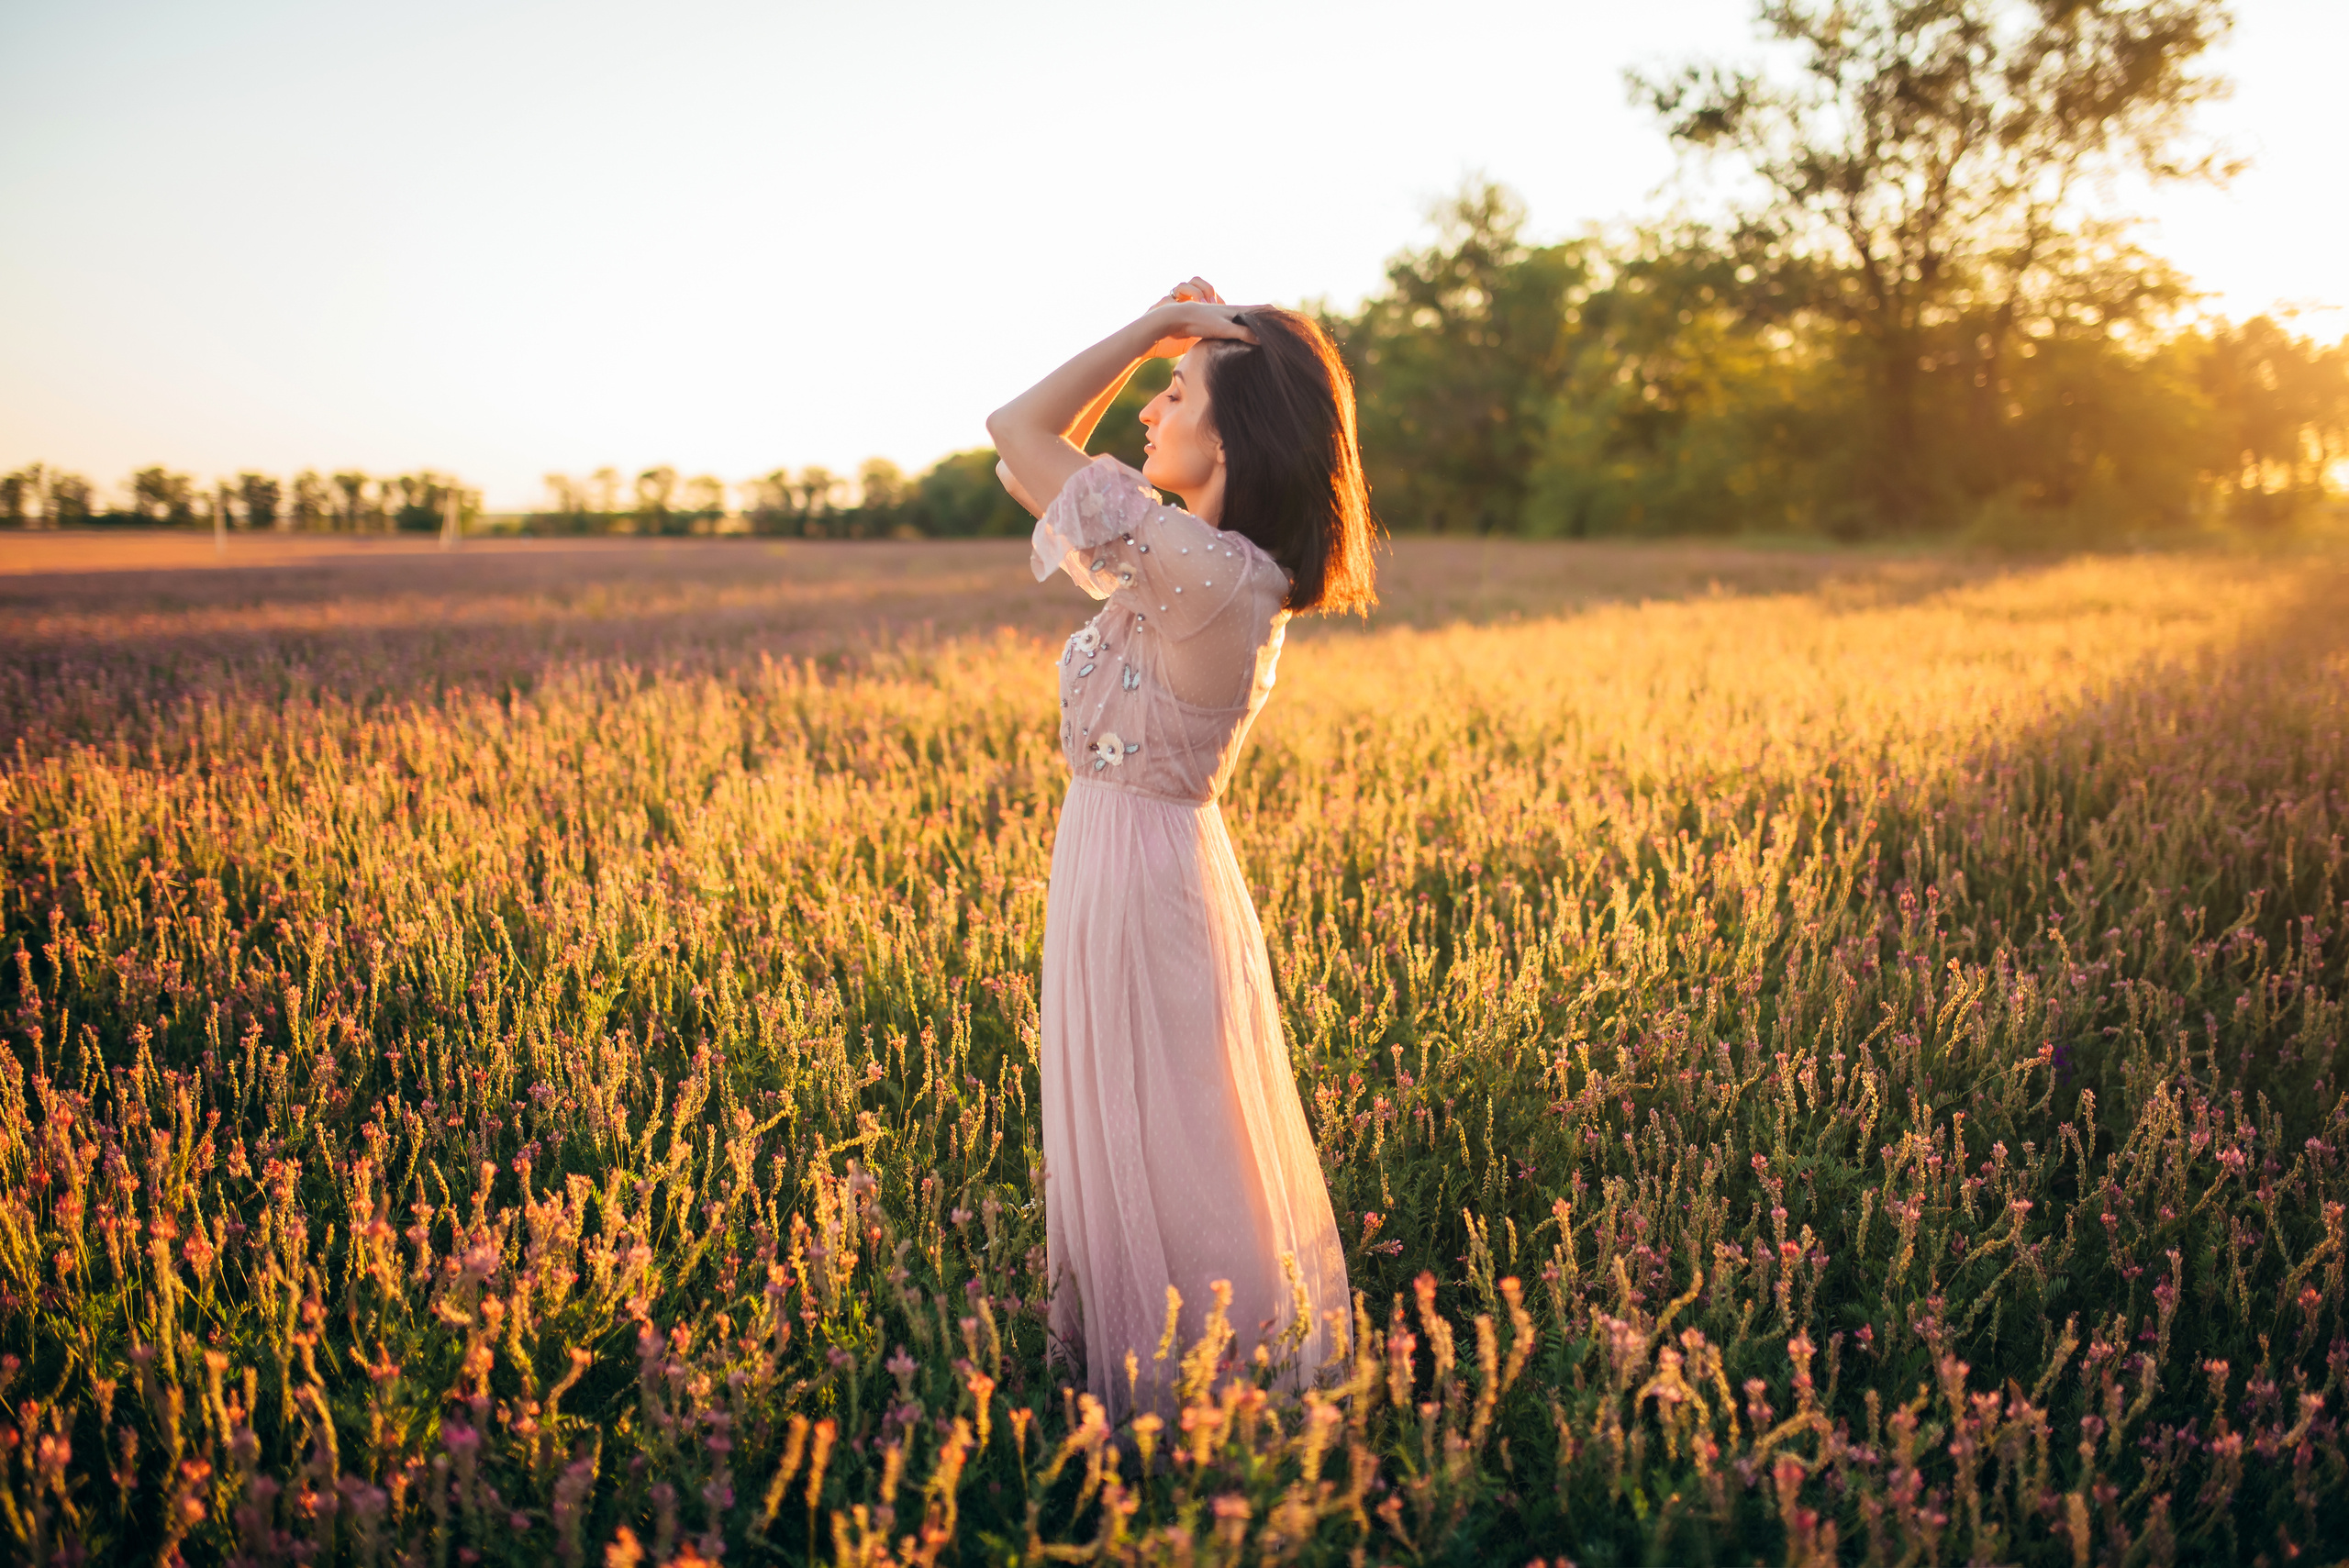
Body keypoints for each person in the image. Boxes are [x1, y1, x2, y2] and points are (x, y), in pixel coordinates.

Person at [987, 279, 1377, 1423]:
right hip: (1118, 861)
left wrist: (1151, 325)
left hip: (1145, 873)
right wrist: (1160, 344)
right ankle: (1176, 1384)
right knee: (1139, 1124)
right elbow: (1026, 462)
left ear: (1233, 428)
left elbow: (1020, 433)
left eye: (1172, 392)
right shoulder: (1182, 564)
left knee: (1168, 1134)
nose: (1150, 412)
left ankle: (1197, 1399)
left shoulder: (1208, 577)